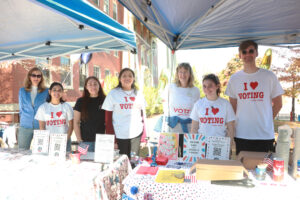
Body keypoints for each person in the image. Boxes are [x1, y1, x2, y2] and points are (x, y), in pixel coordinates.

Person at [225, 40, 284, 155]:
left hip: (264, 135)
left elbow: (278, 103)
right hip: (242, 133)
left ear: (256, 53)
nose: (248, 54)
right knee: (243, 170)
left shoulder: (269, 76)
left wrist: (267, 119)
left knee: (265, 170)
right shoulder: (234, 79)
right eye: (244, 52)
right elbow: (232, 106)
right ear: (240, 55)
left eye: (251, 51)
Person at [154, 63, 200, 156]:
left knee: (186, 154)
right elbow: (164, 101)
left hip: (189, 126)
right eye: (180, 72)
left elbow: (197, 109)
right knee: (171, 155)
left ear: (190, 74)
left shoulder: (195, 90)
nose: (183, 75)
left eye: (185, 72)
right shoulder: (171, 87)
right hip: (173, 125)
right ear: (177, 74)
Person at [102, 68, 146, 159]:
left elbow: (143, 116)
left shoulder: (138, 94)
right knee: (122, 163)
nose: (127, 78)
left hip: (136, 134)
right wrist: (113, 140)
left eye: (130, 76)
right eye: (124, 76)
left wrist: (144, 137)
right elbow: (108, 119)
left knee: (134, 161)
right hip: (120, 135)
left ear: (133, 79)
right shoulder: (113, 94)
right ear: (120, 79)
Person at [190, 74, 235, 149]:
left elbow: (230, 128)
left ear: (217, 86)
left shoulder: (225, 104)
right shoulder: (198, 104)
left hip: (220, 145)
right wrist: (193, 146)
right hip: (202, 145)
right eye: (204, 86)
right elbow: (194, 128)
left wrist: (228, 147)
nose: (207, 88)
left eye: (210, 85)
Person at [35, 82, 73, 151]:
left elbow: (71, 126)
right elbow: (42, 127)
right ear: (49, 92)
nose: (57, 92)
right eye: (54, 90)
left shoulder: (67, 106)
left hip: (64, 140)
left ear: (62, 92)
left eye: (59, 90)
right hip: (49, 142)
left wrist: (65, 140)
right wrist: (47, 140)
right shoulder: (43, 108)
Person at [18, 67, 48, 150]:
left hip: (40, 125)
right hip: (25, 126)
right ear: (29, 77)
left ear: (41, 78)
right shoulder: (22, 91)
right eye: (34, 75)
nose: (36, 78)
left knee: (41, 151)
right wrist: (24, 120)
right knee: (22, 151)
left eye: (39, 76)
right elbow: (21, 108)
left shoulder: (46, 91)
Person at [73, 76, 105, 152]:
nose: (93, 86)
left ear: (99, 86)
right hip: (84, 141)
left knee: (101, 163)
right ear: (86, 87)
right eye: (90, 84)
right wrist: (79, 139)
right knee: (85, 163)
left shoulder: (105, 100)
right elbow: (76, 122)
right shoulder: (80, 101)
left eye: (95, 84)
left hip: (102, 141)